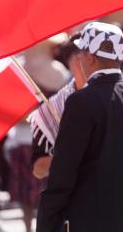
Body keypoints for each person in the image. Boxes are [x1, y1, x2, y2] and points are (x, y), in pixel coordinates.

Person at [35, 22, 123, 232]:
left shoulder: (81, 102)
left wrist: (46, 222)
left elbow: (64, 170)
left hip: (82, 231)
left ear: (88, 57)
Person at [30, 34, 87, 179]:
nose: (89, 64)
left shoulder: (114, 99)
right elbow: (38, 168)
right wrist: (67, 157)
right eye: (81, 59)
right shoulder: (52, 108)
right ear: (70, 61)